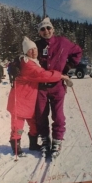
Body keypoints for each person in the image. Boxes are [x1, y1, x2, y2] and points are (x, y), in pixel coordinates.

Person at [7, 36, 71, 157]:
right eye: (30, 50)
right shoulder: (27, 64)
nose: (34, 51)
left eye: (35, 49)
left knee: (34, 124)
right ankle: (16, 146)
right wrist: (61, 76)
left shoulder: (31, 62)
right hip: (19, 100)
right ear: (26, 52)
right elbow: (43, 75)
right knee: (18, 126)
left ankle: (33, 144)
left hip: (29, 101)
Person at [35, 17, 82, 158]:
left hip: (57, 86)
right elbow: (24, 57)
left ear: (53, 29)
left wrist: (68, 67)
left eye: (48, 28)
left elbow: (78, 52)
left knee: (58, 115)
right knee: (41, 116)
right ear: (39, 32)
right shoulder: (36, 45)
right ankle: (45, 140)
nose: (46, 31)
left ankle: (57, 140)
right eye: (42, 29)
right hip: (41, 87)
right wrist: (16, 64)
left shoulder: (62, 42)